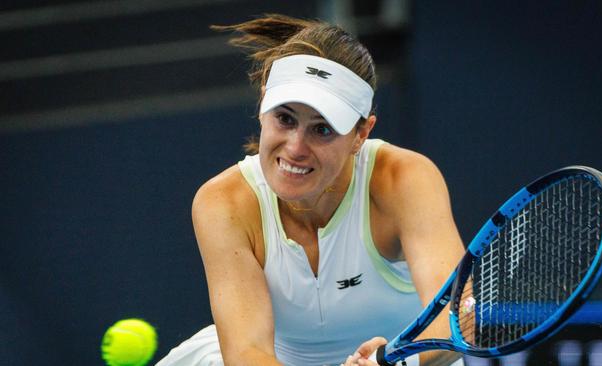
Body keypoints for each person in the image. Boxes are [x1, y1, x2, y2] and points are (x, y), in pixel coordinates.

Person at [156, 14, 466, 366]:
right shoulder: (223, 202)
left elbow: (458, 317)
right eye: (285, 119)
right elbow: (248, 353)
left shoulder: (404, 179)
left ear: (361, 134)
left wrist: (400, 362)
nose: (295, 148)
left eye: (322, 130)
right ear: (262, 104)